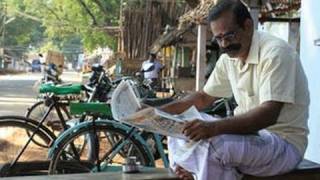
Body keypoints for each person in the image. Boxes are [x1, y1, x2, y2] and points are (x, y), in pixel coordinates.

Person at [153, 0, 309, 180]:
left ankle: (197, 171)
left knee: (214, 145)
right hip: (252, 137)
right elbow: (204, 97)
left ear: (248, 26)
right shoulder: (229, 59)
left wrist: (214, 128)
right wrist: (157, 113)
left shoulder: (275, 54)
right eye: (218, 39)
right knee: (181, 130)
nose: (224, 44)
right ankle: (193, 171)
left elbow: (268, 114)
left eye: (229, 36)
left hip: (284, 144)